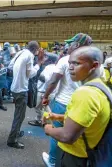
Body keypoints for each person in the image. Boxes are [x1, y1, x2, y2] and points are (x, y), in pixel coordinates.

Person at [43, 46, 111, 167]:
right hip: (91, 152)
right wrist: (59, 117)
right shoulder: (102, 87)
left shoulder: (85, 93)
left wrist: (48, 128)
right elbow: (88, 120)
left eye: (76, 63)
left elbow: (67, 136)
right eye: (70, 63)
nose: (70, 68)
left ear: (94, 66)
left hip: (76, 157)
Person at [41, 33, 93, 167]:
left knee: (57, 133)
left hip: (63, 103)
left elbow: (53, 81)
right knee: (77, 135)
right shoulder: (93, 62)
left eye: (70, 44)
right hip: (82, 105)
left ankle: (52, 161)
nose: (67, 46)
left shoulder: (65, 60)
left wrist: (45, 96)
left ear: (77, 45)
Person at [7, 41, 44, 149]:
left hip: (15, 88)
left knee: (19, 114)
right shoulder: (29, 56)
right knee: (19, 116)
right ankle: (12, 140)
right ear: (36, 50)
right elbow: (30, 74)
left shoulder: (21, 52)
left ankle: (16, 133)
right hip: (21, 89)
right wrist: (39, 64)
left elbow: (10, 65)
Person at [28, 53, 59, 126]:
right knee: (44, 107)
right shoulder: (55, 67)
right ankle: (41, 120)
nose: (44, 58)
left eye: (46, 57)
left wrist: (45, 93)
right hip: (51, 92)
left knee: (38, 107)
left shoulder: (48, 68)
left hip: (43, 91)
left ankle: (43, 121)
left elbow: (47, 80)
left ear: (49, 60)